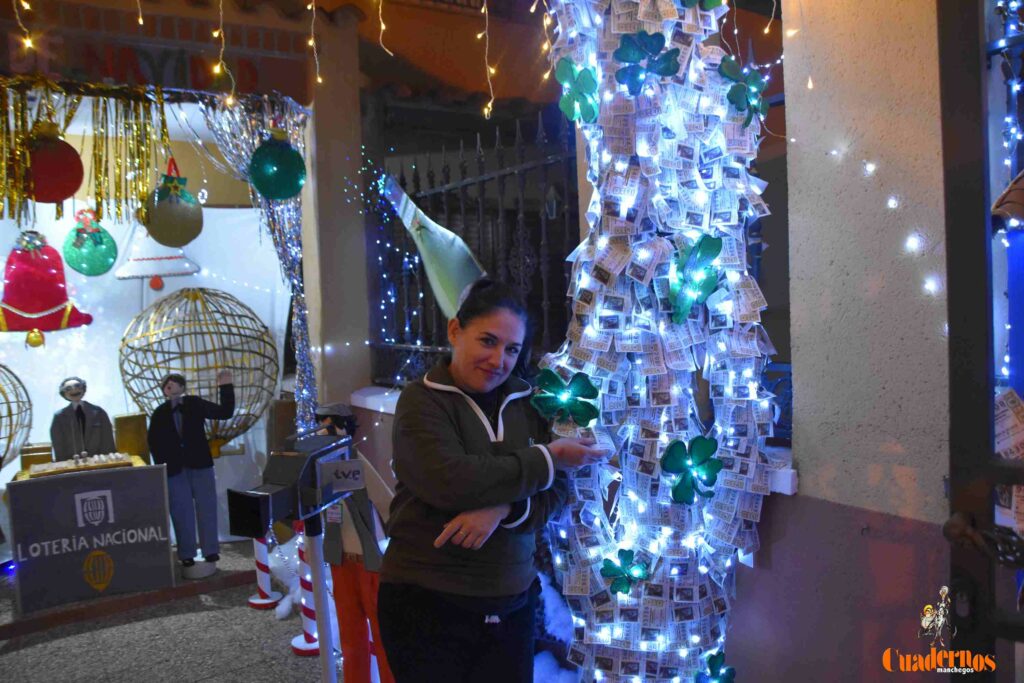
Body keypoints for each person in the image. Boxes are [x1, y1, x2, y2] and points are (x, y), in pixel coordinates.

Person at [378, 278, 606, 683]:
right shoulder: (422, 401)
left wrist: (504, 508)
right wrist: (547, 457)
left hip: (512, 603)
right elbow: (451, 481)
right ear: (454, 331)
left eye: (512, 349)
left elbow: (555, 490)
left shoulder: (530, 403)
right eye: (488, 341)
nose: (499, 359)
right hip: (427, 603)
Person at [318, 403, 396, 683]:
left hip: (368, 559)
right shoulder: (321, 467)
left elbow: (385, 502)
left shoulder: (356, 462)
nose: (325, 432)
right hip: (341, 560)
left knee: (382, 632)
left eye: (330, 427)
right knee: (351, 636)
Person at [147, 370, 234, 578]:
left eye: (175, 383)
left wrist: (225, 386)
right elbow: (153, 443)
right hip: (175, 469)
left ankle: (211, 551)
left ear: (182, 386)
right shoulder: (159, 413)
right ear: (163, 390)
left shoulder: (194, 404)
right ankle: (186, 554)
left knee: (207, 507)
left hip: (200, 464)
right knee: (180, 511)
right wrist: (164, 467)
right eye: (168, 385)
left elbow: (225, 412)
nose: (171, 387)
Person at [49, 376, 116, 461]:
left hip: (100, 462)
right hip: (72, 465)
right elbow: (58, 443)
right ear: (64, 393)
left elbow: (107, 439)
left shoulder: (99, 412)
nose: (74, 390)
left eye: (77, 386)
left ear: (83, 388)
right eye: (68, 388)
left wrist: (109, 459)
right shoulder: (59, 417)